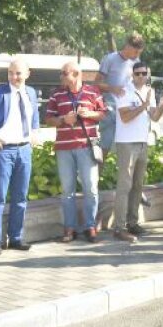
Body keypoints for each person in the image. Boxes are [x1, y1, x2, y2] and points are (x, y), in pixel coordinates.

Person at [44, 61, 106, 243]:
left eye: (64, 73)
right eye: (61, 73)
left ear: (76, 74)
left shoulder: (93, 92)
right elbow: (48, 119)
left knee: (91, 188)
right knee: (67, 191)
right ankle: (69, 227)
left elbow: (103, 113)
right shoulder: (56, 94)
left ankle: (90, 226)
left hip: (86, 147)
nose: (61, 76)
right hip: (64, 148)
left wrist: (89, 114)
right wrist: (64, 119)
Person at [112, 62, 163, 243]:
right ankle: (119, 227)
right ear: (132, 74)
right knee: (124, 186)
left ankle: (132, 223)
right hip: (126, 143)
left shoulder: (149, 91)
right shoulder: (124, 91)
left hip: (142, 142)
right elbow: (125, 117)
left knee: (138, 185)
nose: (140, 76)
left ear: (148, 74)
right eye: (137, 73)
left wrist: (162, 107)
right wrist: (144, 104)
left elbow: (153, 117)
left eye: (143, 73)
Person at [0, 57, 38, 256]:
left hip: (24, 149)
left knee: (20, 196)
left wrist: (35, 131)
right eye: (10, 73)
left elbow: (34, 116)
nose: (13, 77)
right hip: (3, 150)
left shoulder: (31, 92)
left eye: (17, 73)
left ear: (27, 74)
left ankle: (16, 237)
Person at [96, 33, 145, 159]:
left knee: (127, 150)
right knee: (104, 147)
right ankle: (96, 177)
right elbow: (96, 84)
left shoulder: (136, 62)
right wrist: (112, 88)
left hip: (128, 111)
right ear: (127, 46)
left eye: (139, 53)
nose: (137, 55)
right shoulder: (110, 59)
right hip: (111, 109)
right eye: (135, 52)